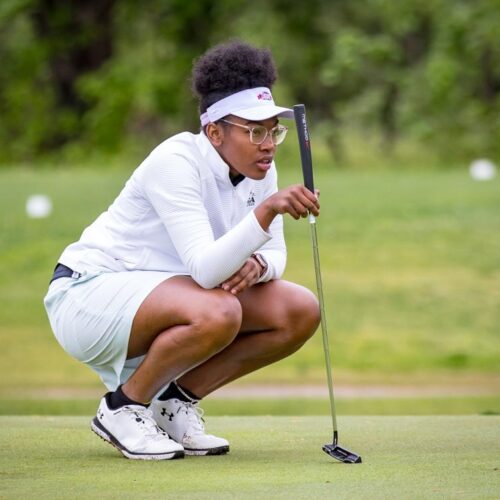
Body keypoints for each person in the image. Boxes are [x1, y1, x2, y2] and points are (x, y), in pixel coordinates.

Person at [44, 40, 321, 461]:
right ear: (214, 132)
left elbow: (276, 257)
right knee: (219, 311)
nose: (269, 144)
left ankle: (172, 404)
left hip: (168, 293)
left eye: (273, 130)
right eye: (254, 131)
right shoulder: (174, 160)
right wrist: (265, 212)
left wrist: (260, 265)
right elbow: (208, 272)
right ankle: (123, 408)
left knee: (300, 309)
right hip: (87, 294)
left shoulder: (260, 167)